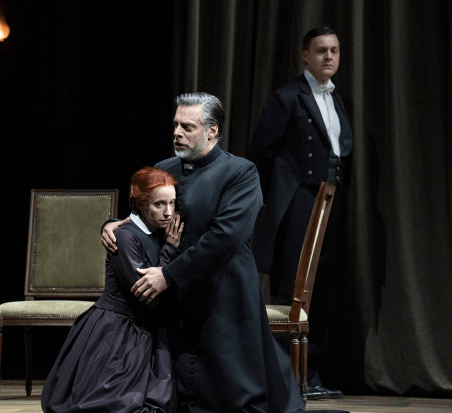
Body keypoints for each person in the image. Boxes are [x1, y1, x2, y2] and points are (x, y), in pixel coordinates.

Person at [102, 93, 348, 413]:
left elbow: (226, 238)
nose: (177, 133)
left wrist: (169, 275)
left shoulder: (240, 172)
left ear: (212, 131)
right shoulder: (164, 168)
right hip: (175, 295)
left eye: (187, 127)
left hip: (223, 290)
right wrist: (113, 225)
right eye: (175, 125)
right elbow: (142, 217)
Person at [248, 27, 353, 400]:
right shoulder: (287, 97)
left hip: (330, 203)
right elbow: (261, 153)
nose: (329, 56)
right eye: (321, 50)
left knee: (321, 286)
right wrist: (277, 200)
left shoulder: (337, 99)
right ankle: (283, 374)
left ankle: (311, 373)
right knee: (293, 286)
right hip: (299, 203)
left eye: (334, 50)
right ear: (305, 55)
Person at [42, 167, 184, 413]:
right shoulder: (126, 238)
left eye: (172, 203)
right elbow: (147, 296)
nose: (169, 212)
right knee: (116, 403)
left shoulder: (157, 230)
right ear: (140, 204)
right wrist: (170, 249)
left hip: (144, 329)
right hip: (118, 331)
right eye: (159, 204)